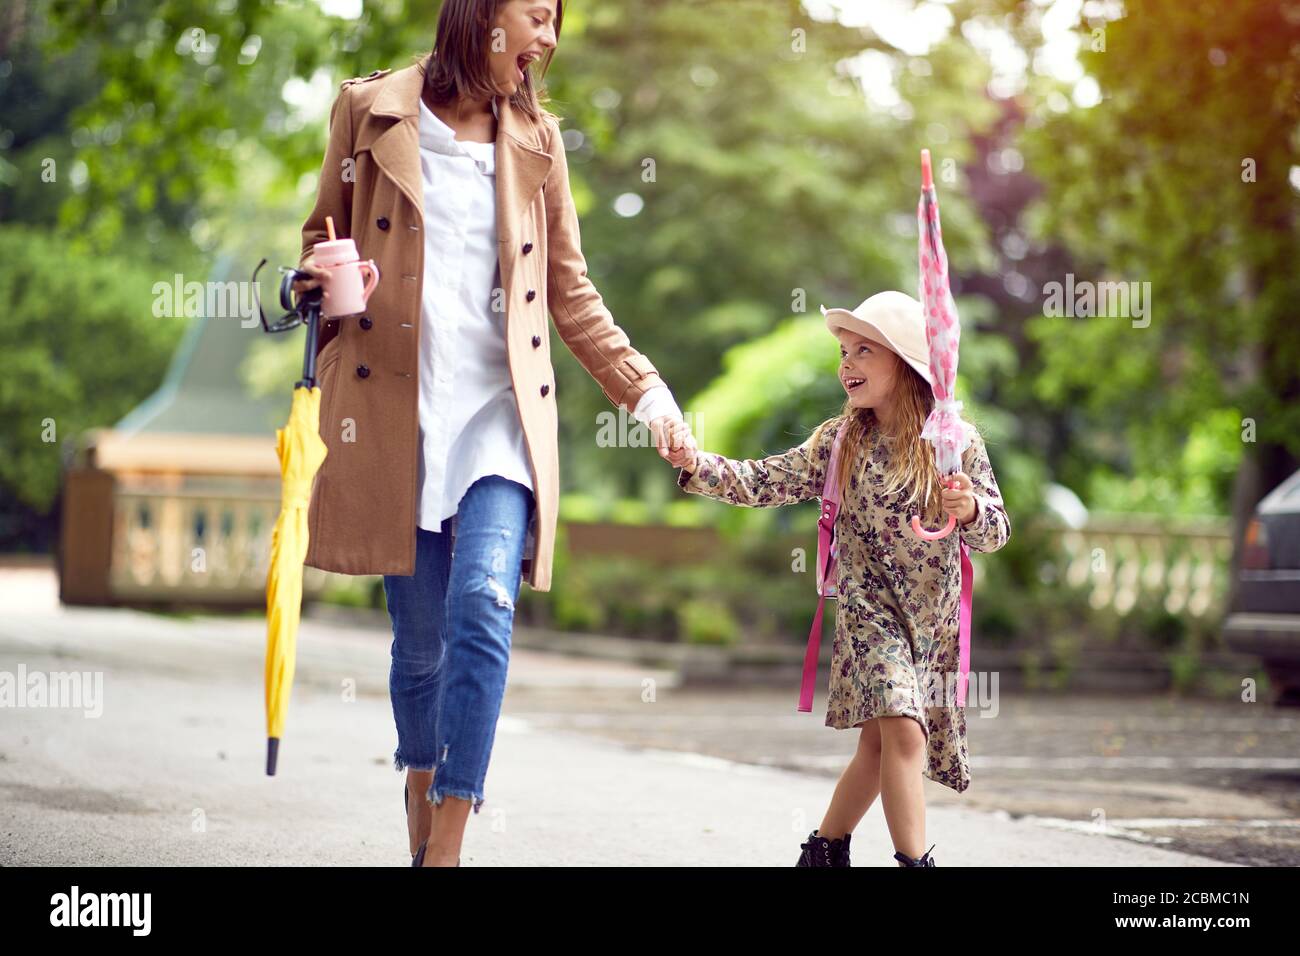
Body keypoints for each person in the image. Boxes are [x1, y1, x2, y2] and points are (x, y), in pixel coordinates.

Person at [292, 0, 697, 866]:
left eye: (556, 20)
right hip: (392, 413)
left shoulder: (538, 144)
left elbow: (570, 292)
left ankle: (447, 838)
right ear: (483, 14)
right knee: (421, 647)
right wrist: (317, 281)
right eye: (538, 14)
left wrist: (650, 396)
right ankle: (420, 774)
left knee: (484, 601)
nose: (548, 36)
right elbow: (319, 236)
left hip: (498, 418)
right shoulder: (370, 112)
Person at [669, 290, 1010, 867]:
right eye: (843, 352)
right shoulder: (839, 441)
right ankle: (914, 863)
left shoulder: (954, 444)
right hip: (868, 611)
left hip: (932, 621)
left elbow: (996, 531)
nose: (844, 365)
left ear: (904, 364)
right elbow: (762, 481)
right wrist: (694, 463)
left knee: (879, 745)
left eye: (861, 352)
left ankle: (824, 851)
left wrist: (969, 508)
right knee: (904, 733)